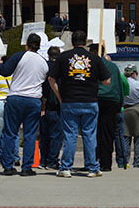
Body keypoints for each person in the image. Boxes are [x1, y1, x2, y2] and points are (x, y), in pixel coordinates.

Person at [48, 30, 111, 178]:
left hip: (69, 100)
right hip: (90, 100)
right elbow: (107, 81)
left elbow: (51, 79)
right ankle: (92, 167)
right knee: (89, 135)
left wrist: (59, 96)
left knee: (70, 135)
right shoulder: (94, 58)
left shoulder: (63, 57)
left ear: (72, 42)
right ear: (85, 42)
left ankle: (66, 167)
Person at [0, 33, 48, 176]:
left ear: (27, 45)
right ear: (39, 46)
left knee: (10, 132)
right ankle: (27, 167)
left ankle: (8, 165)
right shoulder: (44, 62)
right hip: (34, 100)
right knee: (30, 134)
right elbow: (46, 86)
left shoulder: (19, 56)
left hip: (16, 97)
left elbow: (4, 71)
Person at [94, 44, 126, 172]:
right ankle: (106, 163)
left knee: (93, 132)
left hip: (97, 99)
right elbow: (119, 86)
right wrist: (120, 104)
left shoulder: (94, 64)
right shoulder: (113, 67)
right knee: (107, 134)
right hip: (112, 101)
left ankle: (94, 160)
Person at [40, 46, 64, 170]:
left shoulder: (44, 67)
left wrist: (42, 107)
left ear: (48, 55)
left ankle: (43, 160)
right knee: (56, 136)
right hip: (57, 107)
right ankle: (52, 160)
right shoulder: (61, 68)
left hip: (44, 106)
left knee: (44, 135)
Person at [122, 64, 139, 168]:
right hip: (138, 109)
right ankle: (138, 162)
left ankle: (125, 161)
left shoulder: (122, 84)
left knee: (126, 137)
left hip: (125, 110)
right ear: (134, 74)